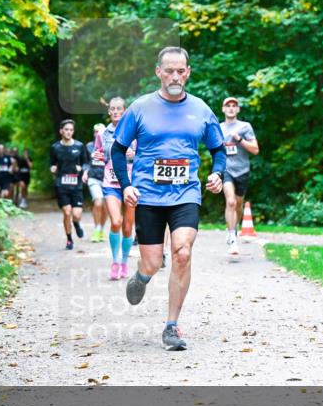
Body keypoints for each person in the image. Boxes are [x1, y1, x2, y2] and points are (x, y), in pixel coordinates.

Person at [109, 47, 226, 351]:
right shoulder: (140, 108)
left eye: (181, 70)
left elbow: (219, 149)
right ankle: (143, 275)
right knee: (151, 262)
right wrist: (125, 185)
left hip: (185, 193)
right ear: (158, 72)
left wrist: (218, 174)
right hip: (148, 195)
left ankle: (171, 326)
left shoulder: (200, 109)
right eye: (169, 70)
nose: (176, 76)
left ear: (188, 72)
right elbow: (118, 149)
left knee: (183, 253)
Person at [100, 97, 136, 280]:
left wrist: (134, 154)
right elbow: (100, 155)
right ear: (109, 112)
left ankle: (124, 262)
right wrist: (98, 157)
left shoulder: (134, 131)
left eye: (118, 109)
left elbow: (145, 155)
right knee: (116, 221)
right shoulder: (103, 133)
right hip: (110, 183)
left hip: (130, 184)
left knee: (128, 228)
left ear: (124, 111)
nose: (115, 111)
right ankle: (114, 261)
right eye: (112, 109)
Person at [219, 97, 259, 255]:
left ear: (238, 110)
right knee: (230, 202)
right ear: (223, 109)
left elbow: (255, 149)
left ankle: (233, 227)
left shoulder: (245, 126)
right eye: (227, 105)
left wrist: (240, 139)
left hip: (242, 170)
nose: (230, 108)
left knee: (238, 205)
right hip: (226, 169)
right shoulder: (218, 128)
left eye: (233, 106)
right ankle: (232, 236)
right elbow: (213, 148)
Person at [49, 119, 89, 250]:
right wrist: (53, 169)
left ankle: (76, 223)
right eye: (66, 129)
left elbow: (86, 163)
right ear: (61, 131)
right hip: (62, 184)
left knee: (76, 214)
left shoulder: (79, 146)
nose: (69, 132)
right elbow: (52, 164)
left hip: (76, 184)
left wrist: (83, 172)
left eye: (71, 130)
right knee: (67, 212)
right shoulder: (55, 147)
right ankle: (69, 239)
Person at [84, 124, 108, 242]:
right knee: (98, 202)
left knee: (106, 206)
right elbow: (85, 162)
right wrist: (85, 172)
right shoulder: (89, 146)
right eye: (95, 131)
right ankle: (97, 228)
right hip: (93, 177)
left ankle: (102, 229)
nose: (97, 134)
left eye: (100, 132)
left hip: (108, 179)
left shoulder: (110, 145)